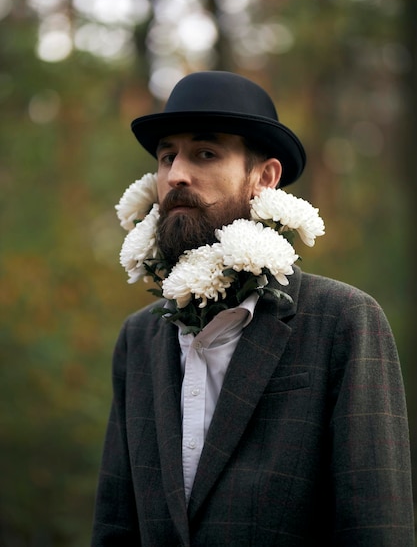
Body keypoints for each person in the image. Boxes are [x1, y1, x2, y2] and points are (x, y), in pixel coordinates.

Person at [92, 71, 415, 546]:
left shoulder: (343, 320)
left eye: (205, 153)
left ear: (263, 178)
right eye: (167, 156)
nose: (177, 173)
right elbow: (115, 526)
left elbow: (376, 526)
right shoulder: (139, 338)